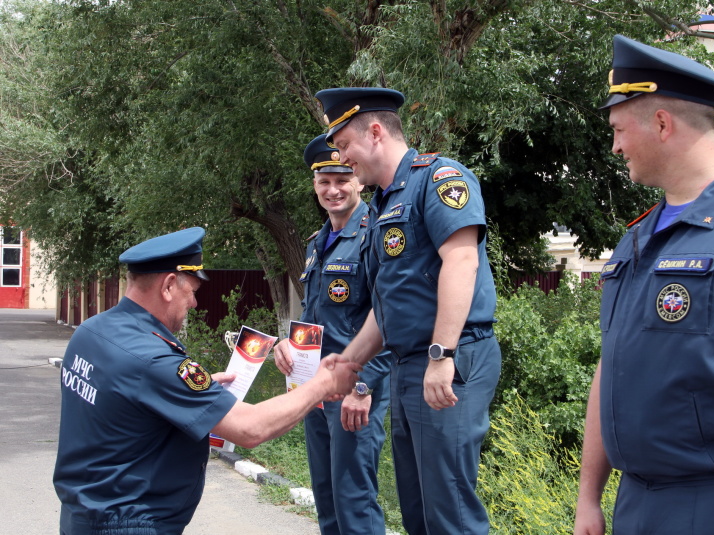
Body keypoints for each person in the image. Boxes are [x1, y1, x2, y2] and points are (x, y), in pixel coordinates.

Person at [574, 35, 714, 534]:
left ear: (660, 123)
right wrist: (589, 497)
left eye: (618, 129)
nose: (614, 145)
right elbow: (611, 364)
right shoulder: (638, 237)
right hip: (636, 504)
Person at [53, 227, 361, 535]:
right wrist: (323, 383)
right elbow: (250, 429)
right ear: (169, 286)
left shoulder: (91, 332)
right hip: (128, 522)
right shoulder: (153, 359)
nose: (195, 305)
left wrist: (186, 392)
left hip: (82, 517)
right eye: (193, 293)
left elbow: (123, 402)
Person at [314, 87, 502, 535]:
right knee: (418, 510)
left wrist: (441, 354)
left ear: (375, 132)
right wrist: (349, 360)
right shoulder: (384, 202)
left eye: (344, 146)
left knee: (449, 511)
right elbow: (388, 302)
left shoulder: (438, 178)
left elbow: (462, 261)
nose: (344, 159)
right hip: (408, 365)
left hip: (450, 360)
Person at [272, 135, 391, 535]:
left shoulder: (376, 234)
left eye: (342, 179)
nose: (333, 190)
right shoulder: (316, 243)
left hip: (355, 389)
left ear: (358, 180)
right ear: (314, 185)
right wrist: (286, 345)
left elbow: (391, 314)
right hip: (316, 386)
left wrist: (366, 384)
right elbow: (314, 315)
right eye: (324, 181)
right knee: (326, 495)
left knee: (354, 498)